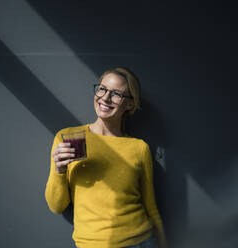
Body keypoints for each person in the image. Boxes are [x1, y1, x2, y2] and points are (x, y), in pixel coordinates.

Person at [45, 67, 168, 248]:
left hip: (141, 242)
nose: (105, 98)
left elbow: (150, 207)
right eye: (102, 89)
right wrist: (59, 170)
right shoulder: (68, 138)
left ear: (130, 104)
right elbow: (56, 206)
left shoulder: (139, 148)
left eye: (116, 94)